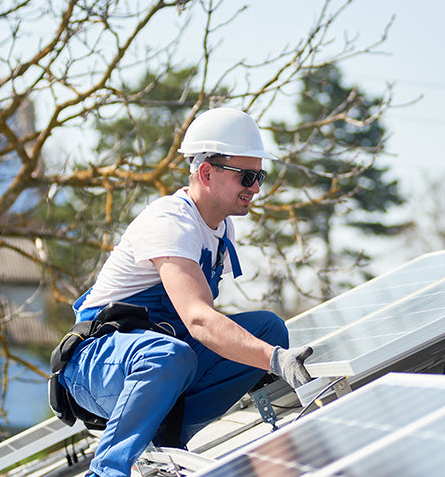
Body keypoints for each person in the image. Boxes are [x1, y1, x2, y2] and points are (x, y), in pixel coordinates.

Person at [58, 107, 313, 477]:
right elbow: (197, 318)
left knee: (267, 330)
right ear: (206, 172)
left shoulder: (222, 230)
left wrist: (267, 354)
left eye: (260, 176)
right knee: (173, 355)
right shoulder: (171, 220)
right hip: (96, 365)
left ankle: (168, 446)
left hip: (159, 361)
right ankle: (108, 470)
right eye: (247, 177)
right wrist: (274, 361)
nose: (255, 188)